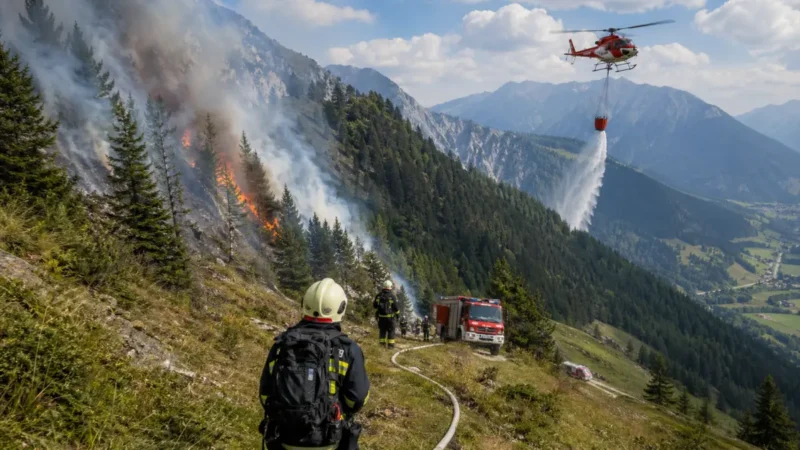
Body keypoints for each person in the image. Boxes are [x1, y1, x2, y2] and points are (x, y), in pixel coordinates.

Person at [259, 279, 370, 450]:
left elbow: (265, 394)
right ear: (341, 308)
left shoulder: (282, 344)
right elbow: (357, 399)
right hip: (329, 439)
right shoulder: (348, 349)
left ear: (304, 304)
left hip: (284, 438)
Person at [373, 280, 399, 349]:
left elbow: (375, 306)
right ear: (390, 287)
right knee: (391, 331)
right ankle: (390, 347)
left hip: (381, 318)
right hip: (390, 319)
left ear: (383, 286)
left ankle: (382, 346)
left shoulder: (378, 296)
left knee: (382, 331)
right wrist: (398, 316)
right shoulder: (392, 296)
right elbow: (396, 308)